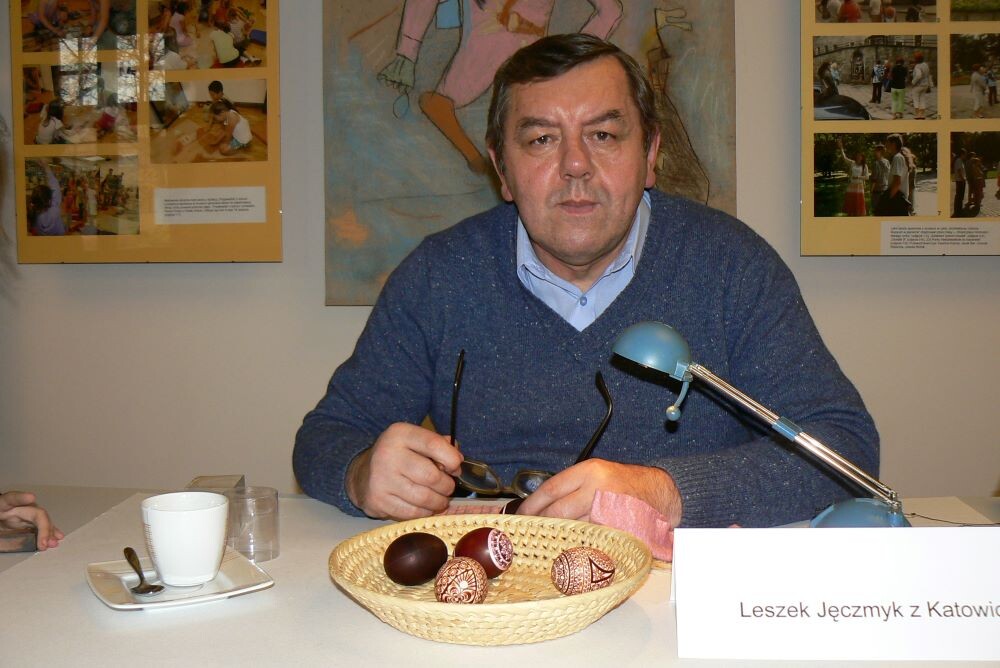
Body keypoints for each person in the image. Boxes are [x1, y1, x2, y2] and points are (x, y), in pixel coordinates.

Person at [293, 34, 879, 529]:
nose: (575, 165)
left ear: (650, 154)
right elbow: (326, 435)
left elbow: (844, 449)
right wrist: (360, 472)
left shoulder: (733, 267)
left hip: (675, 591)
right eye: (541, 139)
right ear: (502, 169)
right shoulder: (438, 275)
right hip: (500, 588)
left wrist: (661, 492)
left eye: (603, 135)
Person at [27, 159, 65, 235]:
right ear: (49, 201)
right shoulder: (54, 211)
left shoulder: (34, 217)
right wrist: (46, 166)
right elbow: (54, 184)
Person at [881, 133, 910, 216]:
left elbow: (897, 182)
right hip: (897, 198)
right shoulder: (898, 157)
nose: (885, 145)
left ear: (893, 144)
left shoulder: (898, 158)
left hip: (897, 200)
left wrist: (888, 199)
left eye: (887, 143)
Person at [837, 138, 869, 216]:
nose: (858, 157)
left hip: (859, 187)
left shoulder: (864, 166)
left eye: (860, 156)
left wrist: (858, 177)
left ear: (862, 157)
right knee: (850, 208)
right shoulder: (852, 163)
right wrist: (841, 148)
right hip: (851, 186)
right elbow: (844, 158)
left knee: (858, 207)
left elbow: (867, 177)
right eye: (857, 155)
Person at [910, 51, 931, 119]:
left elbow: (918, 76)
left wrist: (913, 82)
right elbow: (928, 75)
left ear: (916, 59)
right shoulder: (926, 65)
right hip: (925, 84)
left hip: (918, 85)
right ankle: (922, 114)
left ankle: (917, 115)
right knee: (922, 99)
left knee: (915, 99)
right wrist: (929, 84)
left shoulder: (917, 66)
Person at [871, 143, 890, 215]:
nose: (874, 152)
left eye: (875, 150)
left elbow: (874, 179)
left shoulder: (876, 163)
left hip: (877, 190)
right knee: (884, 210)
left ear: (879, 152)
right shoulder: (887, 161)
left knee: (876, 211)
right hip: (886, 189)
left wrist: (871, 190)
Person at [952, 149, 967, 217]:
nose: (965, 156)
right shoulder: (958, 160)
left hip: (961, 180)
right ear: (962, 154)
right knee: (959, 196)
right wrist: (963, 179)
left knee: (960, 196)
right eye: (965, 154)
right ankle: (958, 211)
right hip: (960, 181)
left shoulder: (960, 161)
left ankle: (959, 210)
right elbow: (959, 171)